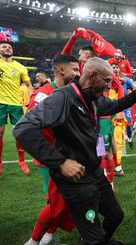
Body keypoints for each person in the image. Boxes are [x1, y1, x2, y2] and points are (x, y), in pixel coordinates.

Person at [13, 57, 136, 245]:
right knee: (92, 236)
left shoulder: (93, 97)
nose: (108, 86)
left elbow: (114, 105)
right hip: (76, 181)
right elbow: (22, 128)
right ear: (93, 76)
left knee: (116, 215)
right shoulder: (63, 97)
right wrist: (60, 162)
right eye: (106, 80)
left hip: (95, 172)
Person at [24, 54, 80, 245]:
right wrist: (53, 157)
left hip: (65, 156)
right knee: (59, 202)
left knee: (61, 202)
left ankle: (46, 237)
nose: (78, 73)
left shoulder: (69, 91)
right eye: (75, 69)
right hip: (51, 159)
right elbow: (28, 130)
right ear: (61, 70)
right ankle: (33, 241)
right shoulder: (43, 95)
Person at [0, 41, 33, 175]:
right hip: (0, 103)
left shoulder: (20, 67)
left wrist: (31, 99)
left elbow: (29, 85)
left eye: (9, 47)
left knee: (19, 134)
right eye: (4, 46)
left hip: (16, 104)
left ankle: (21, 161)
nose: (7, 48)